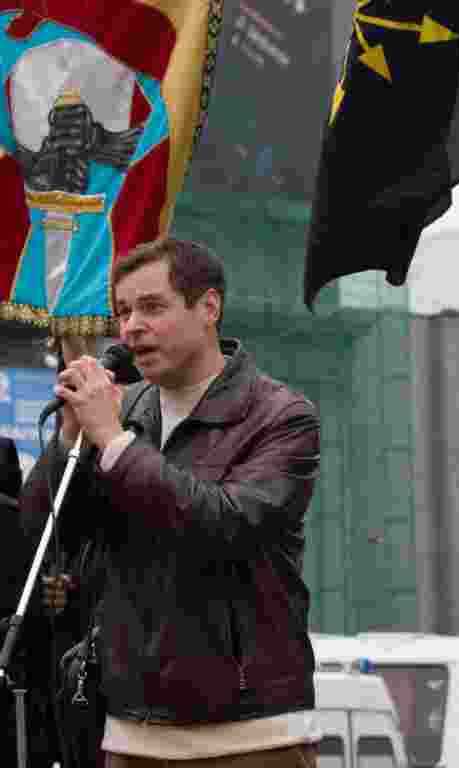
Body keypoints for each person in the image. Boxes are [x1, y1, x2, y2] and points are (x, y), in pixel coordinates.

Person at [20, 237, 322, 767]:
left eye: (152, 307)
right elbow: (49, 532)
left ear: (209, 307)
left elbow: (224, 525)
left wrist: (114, 442)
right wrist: (71, 438)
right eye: (123, 311)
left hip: (252, 735)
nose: (131, 326)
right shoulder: (120, 409)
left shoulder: (280, 417)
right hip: (130, 733)